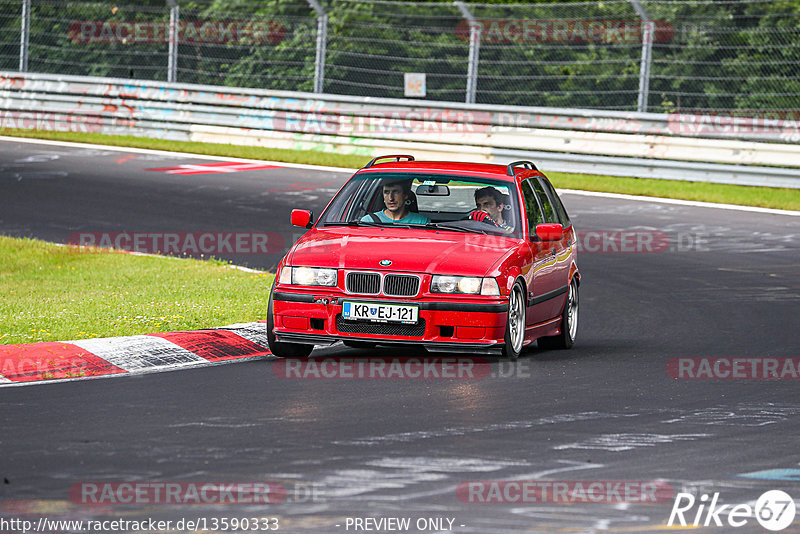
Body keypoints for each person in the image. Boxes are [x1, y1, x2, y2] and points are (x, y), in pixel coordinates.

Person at [362, 179, 430, 224]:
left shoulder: (422, 222)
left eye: (396, 192)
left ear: (405, 195)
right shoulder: (368, 221)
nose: (391, 198)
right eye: (386, 192)